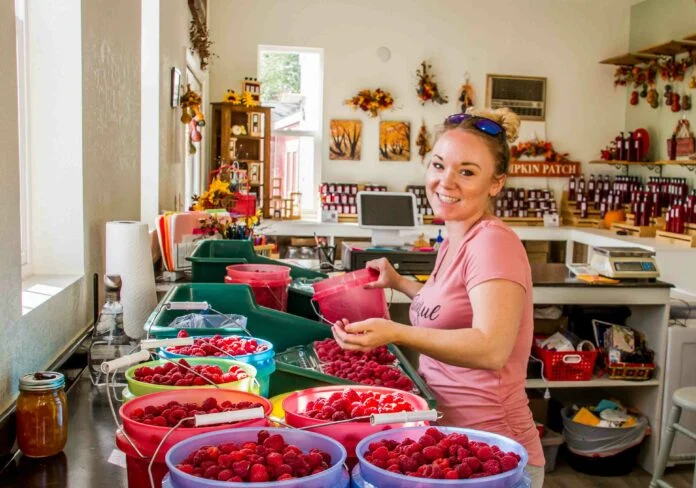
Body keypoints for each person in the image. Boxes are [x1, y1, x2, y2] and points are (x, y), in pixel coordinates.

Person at [331, 107, 545, 487]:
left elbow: (491, 347)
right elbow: (450, 308)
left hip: (495, 456)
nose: (446, 181)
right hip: (453, 448)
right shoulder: (455, 236)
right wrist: (400, 282)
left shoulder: (493, 243)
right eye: (438, 165)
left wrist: (395, 332)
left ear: (496, 183)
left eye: (467, 171)